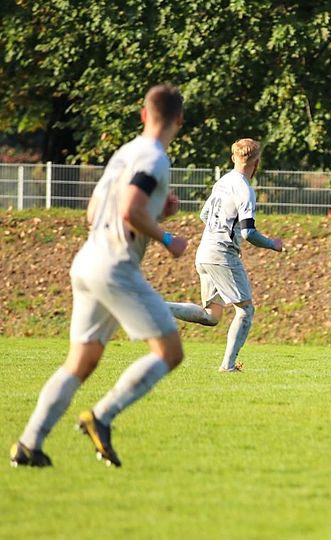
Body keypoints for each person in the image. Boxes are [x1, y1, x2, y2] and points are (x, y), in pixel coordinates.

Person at [9, 85, 188, 468]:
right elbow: (130, 209)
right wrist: (167, 238)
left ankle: (28, 444)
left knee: (81, 361)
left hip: (88, 260)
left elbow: (94, 212)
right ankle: (102, 416)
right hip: (115, 266)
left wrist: (155, 214)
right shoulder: (155, 157)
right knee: (170, 353)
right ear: (179, 119)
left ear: (143, 115)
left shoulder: (124, 153)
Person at [167, 139, 283, 372]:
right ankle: (228, 366)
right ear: (257, 162)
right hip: (222, 254)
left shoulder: (222, 182)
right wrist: (273, 244)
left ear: (233, 158)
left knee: (211, 316)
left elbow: (204, 215)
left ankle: (157, 306)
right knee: (246, 310)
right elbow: (248, 232)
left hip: (205, 251)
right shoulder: (245, 190)